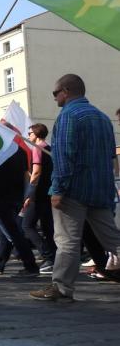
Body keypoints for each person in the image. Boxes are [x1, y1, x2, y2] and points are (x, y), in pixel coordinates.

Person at [31, 74, 120, 301]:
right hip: (100, 189)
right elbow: (112, 157)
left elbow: (64, 156)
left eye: (55, 93)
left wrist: (58, 189)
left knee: (67, 241)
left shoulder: (68, 116)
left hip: (73, 190)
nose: (54, 99)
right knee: (112, 239)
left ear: (66, 91)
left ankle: (61, 287)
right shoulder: (102, 118)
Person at [0, 124, 40, 277]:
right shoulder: (20, 151)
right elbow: (26, 175)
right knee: (5, 232)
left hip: (2, 198)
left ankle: (31, 266)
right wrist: (26, 195)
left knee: (13, 234)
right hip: (17, 198)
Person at [22, 123, 56, 273]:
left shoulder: (37, 148)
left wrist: (29, 193)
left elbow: (36, 173)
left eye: (30, 133)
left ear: (36, 134)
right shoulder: (49, 148)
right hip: (49, 191)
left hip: (38, 193)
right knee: (48, 227)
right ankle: (54, 258)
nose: (28, 135)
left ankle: (47, 256)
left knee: (27, 225)